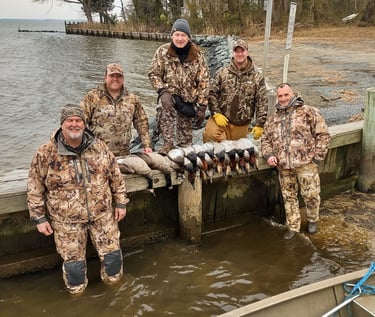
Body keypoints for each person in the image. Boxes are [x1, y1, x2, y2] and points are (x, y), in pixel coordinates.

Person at [27, 104, 129, 295]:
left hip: (103, 217)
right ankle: (78, 298)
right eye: (70, 120)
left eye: (78, 120)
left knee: (113, 260)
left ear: (84, 124)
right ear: (62, 124)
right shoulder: (46, 153)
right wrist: (39, 218)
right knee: (74, 271)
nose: (74, 124)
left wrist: (121, 202)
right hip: (67, 223)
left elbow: (116, 176)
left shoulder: (100, 147)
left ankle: (116, 295)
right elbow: (35, 187)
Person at [261, 83, 330, 239]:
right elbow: (265, 139)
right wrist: (269, 155)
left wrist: (317, 158)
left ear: (293, 94)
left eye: (286, 95)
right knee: (289, 197)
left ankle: (313, 220)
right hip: (284, 166)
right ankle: (293, 226)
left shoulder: (308, 112)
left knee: (311, 195)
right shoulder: (273, 118)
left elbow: (323, 134)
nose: (283, 98)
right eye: (280, 96)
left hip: (306, 164)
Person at [148, 18, 210, 154]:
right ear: (172, 36)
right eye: (177, 35)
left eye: (183, 35)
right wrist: (162, 91)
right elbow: (154, 74)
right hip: (169, 98)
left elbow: (204, 82)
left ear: (188, 37)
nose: (180, 38)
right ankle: (167, 144)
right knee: (164, 108)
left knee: (186, 143)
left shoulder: (198, 55)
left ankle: (185, 151)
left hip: (188, 103)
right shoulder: (162, 51)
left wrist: (202, 107)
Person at [203, 39, 268, 143]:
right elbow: (211, 93)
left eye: (242, 51)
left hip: (241, 123)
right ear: (233, 53)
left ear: (247, 52)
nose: (240, 54)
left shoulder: (257, 77)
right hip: (221, 118)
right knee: (210, 137)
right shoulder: (222, 72)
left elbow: (262, 102)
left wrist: (260, 124)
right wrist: (215, 113)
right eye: (237, 51)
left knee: (236, 151)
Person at [80, 63, 152, 156]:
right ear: (105, 77)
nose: (115, 79)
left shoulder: (132, 99)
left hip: (124, 154)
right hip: (97, 153)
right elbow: (80, 122)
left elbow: (142, 122)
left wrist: (147, 145)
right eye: (112, 76)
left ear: (123, 79)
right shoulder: (92, 97)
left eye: (118, 76)